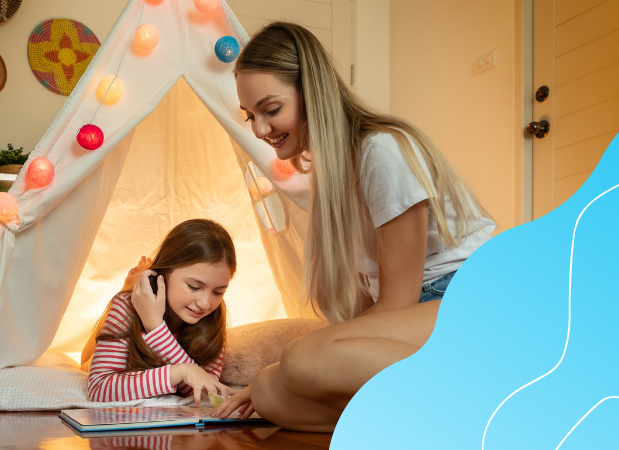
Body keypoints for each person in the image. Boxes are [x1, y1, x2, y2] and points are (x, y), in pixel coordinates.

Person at [211, 22, 496, 431]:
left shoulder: (381, 150)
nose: (259, 129)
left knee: (299, 359)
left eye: (271, 110)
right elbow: (373, 305)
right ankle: (423, 423)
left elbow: (396, 302)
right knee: (271, 390)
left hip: (470, 298)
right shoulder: (332, 176)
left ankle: (488, 391)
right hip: (417, 312)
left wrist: (309, 354)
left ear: (312, 92)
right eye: (251, 116)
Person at [80, 219, 237, 406]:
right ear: (165, 272)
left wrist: (155, 326)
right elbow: (99, 389)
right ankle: (131, 286)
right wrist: (180, 372)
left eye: (218, 292)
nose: (205, 303)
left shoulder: (214, 317)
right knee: (85, 361)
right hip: (128, 317)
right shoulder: (126, 307)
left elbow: (205, 392)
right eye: (194, 287)